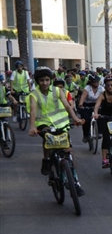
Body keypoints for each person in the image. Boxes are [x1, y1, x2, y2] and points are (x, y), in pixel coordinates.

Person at [27, 67, 86, 195]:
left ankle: (75, 182)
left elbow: (67, 106)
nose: (45, 83)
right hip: (44, 124)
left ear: (51, 80)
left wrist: (76, 118)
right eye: (42, 80)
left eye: (47, 80)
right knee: (47, 141)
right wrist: (32, 127)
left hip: (62, 123)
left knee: (69, 152)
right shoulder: (34, 95)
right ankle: (47, 160)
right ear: (37, 81)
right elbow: (32, 110)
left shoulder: (58, 91)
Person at [77, 74, 104, 143]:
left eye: (98, 82)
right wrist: (81, 105)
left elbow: (105, 98)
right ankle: (86, 135)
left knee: (101, 117)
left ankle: (100, 132)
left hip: (97, 105)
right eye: (95, 82)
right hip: (87, 105)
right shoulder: (87, 88)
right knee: (86, 120)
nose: (97, 83)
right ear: (91, 82)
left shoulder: (101, 88)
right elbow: (83, 97)